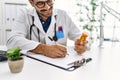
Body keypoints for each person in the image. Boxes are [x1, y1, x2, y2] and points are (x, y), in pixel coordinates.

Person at [7, 0, 87, 58]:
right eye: (41, 3)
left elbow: (78, 36)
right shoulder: (24, 14)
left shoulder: (63, 15)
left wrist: (82, 45)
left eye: (49, 1)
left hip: (60, 65)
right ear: (31, 2)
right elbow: (12, 40)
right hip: (33, 65)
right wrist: (43, 49)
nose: (47, 7)